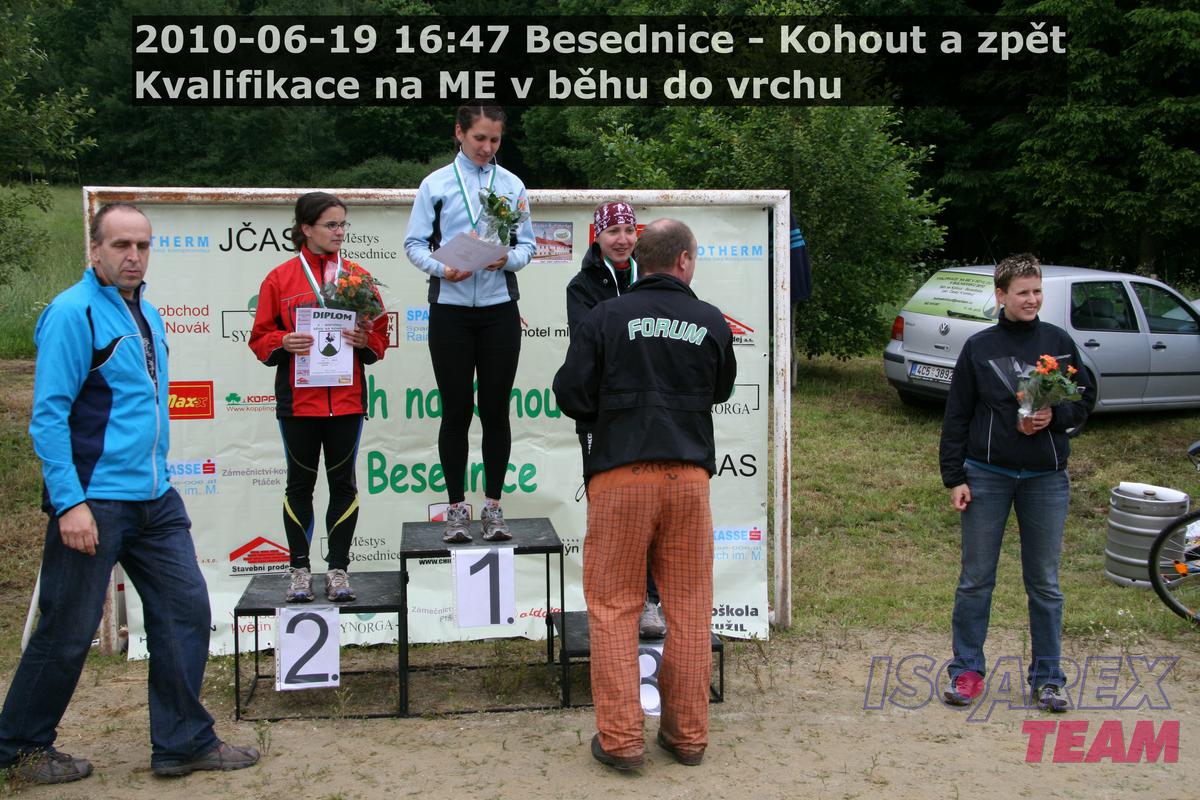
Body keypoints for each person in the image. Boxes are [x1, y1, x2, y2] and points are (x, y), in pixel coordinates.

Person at [0, 203, 259, 784]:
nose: (133, 256)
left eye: (142, 245)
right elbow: (49, 416)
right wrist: (69, 503)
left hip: (155, 498)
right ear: (95, 249)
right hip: (94, 499)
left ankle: (183, 742)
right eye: (120, 245)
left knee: (185, 610)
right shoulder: (72, 313)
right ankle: (18, 749)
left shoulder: (146, 311)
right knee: (68, 629)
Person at [554, 219, 736, 770]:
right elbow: (722, 388)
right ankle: (688, 737)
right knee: (689, 608)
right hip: (689, 479)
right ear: (683, 261)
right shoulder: (710, 319)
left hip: (620, 475)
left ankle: (621, 742)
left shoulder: (604, 316)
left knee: (614, 609)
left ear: (641, 258)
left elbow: (571, 393)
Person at [939, 253, 1094, 713]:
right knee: (975, 580)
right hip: (987, 476)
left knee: (1045, 583)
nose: (1032, 299)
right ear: (1001, 295)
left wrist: (1053, 418)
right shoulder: (979, 347)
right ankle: (967, 672)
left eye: (1037, 291)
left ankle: (1048, 679)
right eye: (1022, 292)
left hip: (1046, 480)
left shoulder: (1058, 342)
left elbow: (1084, 400)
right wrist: (955, 477)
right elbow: (957, 415)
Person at [249, 192, 389, 603]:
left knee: (344, 485)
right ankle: (299, 571)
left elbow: (381, 336)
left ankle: (339, 571)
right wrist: (282, 341)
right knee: (299, 485)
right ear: (305, 228)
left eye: (343, 224)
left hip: (347, 401)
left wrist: (365, 340)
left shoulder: (358, 278)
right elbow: (259, 339)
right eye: (331, 225)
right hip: (299, 403)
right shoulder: (279, 279)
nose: (340, 232)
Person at [404, 105, 535, 543]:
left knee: (496, 410)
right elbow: (414, 243)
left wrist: (506, 258)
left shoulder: (512, 184)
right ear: (459, 132)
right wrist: (442, 269)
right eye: (479, 138)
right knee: (456, 411)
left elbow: (527, 246)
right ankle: (457, 508)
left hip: (499, 310)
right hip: (451, 311)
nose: (486, 147)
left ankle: (493, 507)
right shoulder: (436, 183)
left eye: (494, 140)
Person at [565, 201, 665, 640]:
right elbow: (589, 345)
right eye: (613, 232)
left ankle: (649, 601)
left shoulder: (653, 275)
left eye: (628, 230)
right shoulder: (582, 285)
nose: (622, 240)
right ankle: (609, 602)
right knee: (608, 510)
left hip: (650, 411)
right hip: (603, 414)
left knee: (651, 509)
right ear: (598, 237)